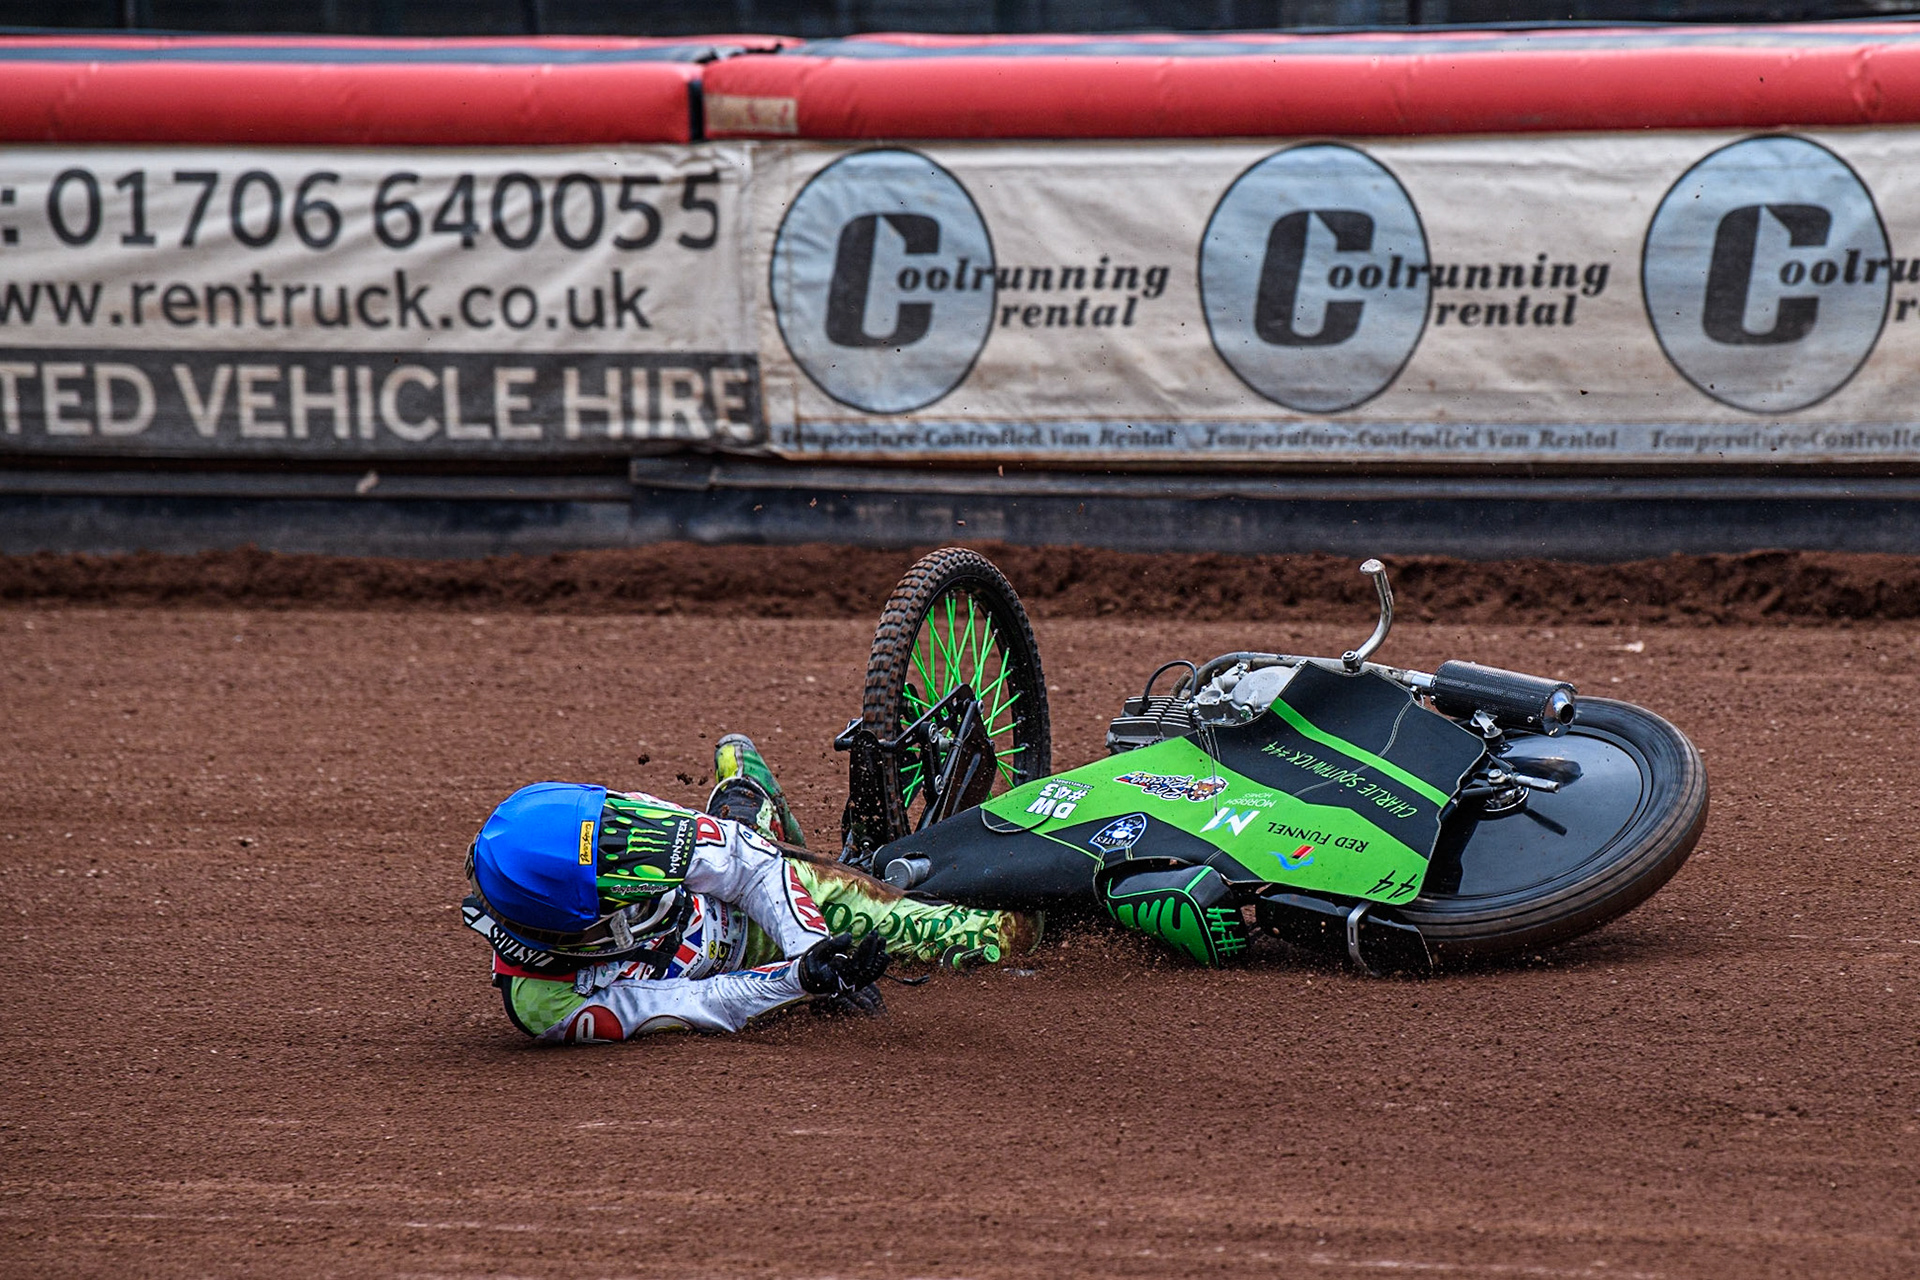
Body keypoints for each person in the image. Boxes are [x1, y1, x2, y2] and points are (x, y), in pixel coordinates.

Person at [461, 735, 1040, 1045]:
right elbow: (698, 1006)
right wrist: (805, 979)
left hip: (775, 895)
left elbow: (751, 866)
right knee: (977, 947)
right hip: (741, 968)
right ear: (576, 923)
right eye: (617, 886)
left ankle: (763, 802)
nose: (633, 851)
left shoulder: (622, 820)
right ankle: (750, 797)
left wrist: (809, 943)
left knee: (991, 939)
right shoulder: (544, 1006)